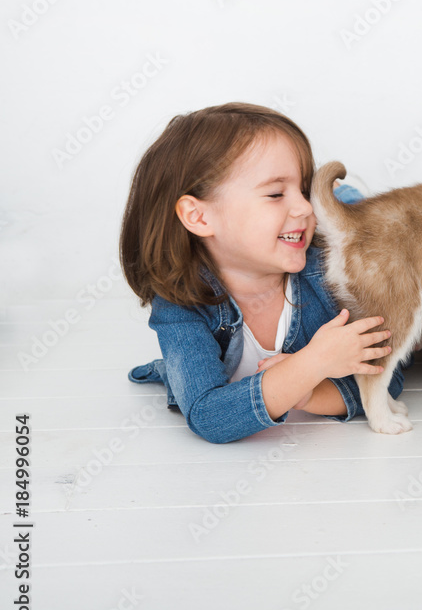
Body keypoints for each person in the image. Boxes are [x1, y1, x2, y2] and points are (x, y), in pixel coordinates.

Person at [120, 103, 402, 443]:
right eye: (275, 193)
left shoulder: (330, 269)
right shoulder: (180, 306)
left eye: (305, 189)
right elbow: (210, 416)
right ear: (199, 217)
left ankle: (346, 200)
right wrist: (313, 365)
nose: (303, 207)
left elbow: (389, 371)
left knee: (376, 228)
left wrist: (311, 395)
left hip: (368, 244)